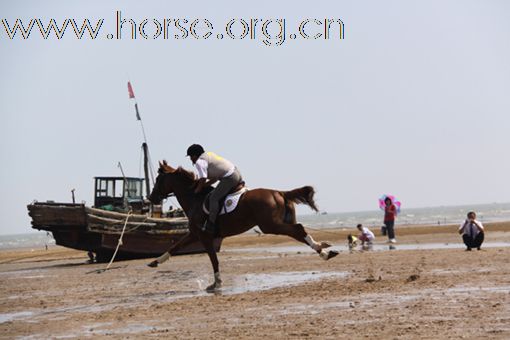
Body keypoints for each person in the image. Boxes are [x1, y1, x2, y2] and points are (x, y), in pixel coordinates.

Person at [186, 144, 243, 234]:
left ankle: (211, 224)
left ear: (194, 156)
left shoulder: (199, 162)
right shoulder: (208, 155)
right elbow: (214, 178)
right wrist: (204, 185)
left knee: (213, 198)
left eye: (190, 157)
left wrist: (198, 189)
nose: (190, 159)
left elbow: (203, 178)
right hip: (236, 173)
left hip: (229, 177)